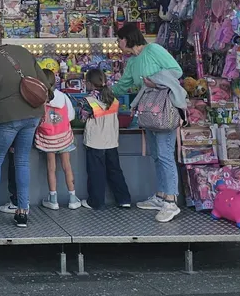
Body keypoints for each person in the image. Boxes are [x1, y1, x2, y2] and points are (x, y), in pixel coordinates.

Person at [111, 22, 186, 223]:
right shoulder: (133, 62)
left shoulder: (153, 49)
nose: (117, 43)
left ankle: (171, 201)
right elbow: (123, 84)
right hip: (149, 112)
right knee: (157, 154)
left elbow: (175, 70)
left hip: (164, 108)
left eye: (118, 39)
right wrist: (104, 92)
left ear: (127, 39)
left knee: (165, 154)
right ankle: (161, 196)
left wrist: (155, 82)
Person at [0, 28, 44, 228]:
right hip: (33, 113)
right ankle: (22, 211)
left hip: (8, 116)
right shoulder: (22, 50)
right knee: (22, 161)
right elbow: (43, 79)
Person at [83, 69, 132, 210]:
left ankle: (95, 202)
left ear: (89, 83)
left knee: (96, 173)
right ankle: (124, 199)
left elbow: (81, 118)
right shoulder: (114, 100)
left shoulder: (88, 101)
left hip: (95, 142)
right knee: (115, 171)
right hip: (111, 141)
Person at [36, 67, 81, 211]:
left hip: (48, 138)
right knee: (67, 167)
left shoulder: (39, 98)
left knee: (51, 168)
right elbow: (71, 116)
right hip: (64, 137)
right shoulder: (63, 96)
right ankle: (72, 198)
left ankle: (53, 199)